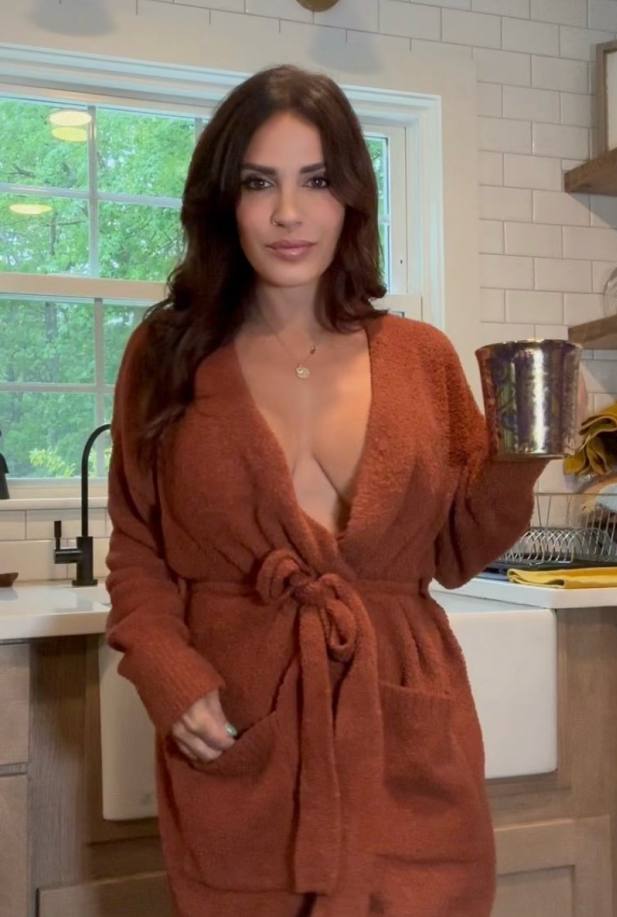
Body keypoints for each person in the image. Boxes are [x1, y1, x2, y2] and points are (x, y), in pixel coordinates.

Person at [105, 64, 548, 917]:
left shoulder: (421, 358)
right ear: (223, 201)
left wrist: (523, 455)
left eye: (315, 181)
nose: (288, 213)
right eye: (258, 183)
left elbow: (458, 551)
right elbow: (137, 545)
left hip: (403, 729)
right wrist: (166, 669)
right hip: (246, 724)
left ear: (350, 198)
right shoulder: (165, 357)